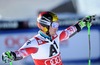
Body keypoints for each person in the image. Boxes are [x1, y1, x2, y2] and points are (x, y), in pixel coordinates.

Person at [2, 11, 94, 65]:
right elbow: (21, 53)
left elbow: (69, 32)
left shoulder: (56, 36)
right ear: (44, 26)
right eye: (54, 24)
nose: (57, 27)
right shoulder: (35, 42)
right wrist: (12, 55)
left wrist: (83, 23)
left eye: (57, 24)